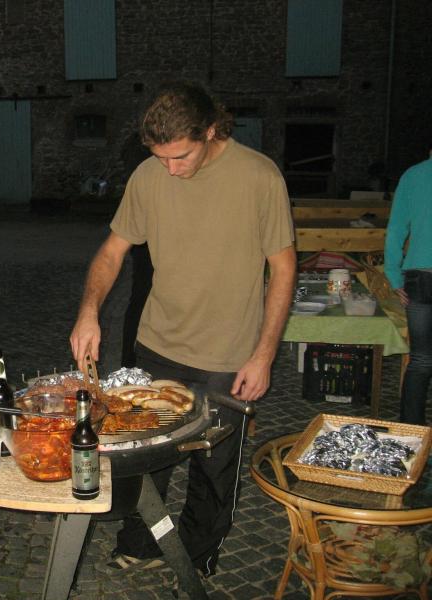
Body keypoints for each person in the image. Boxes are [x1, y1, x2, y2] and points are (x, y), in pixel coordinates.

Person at [69, 82, 296, 576]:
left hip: (228, 355)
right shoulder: (149, 175)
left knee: (213, 468)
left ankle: (196, 557)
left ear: (211, 131)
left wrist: (263, 355)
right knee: (147, 454)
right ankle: (140, 542)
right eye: (161, 157)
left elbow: (283, 269)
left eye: (180, 157)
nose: (170, 169)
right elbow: (112, 251)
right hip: (158, 345)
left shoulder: (259, 177)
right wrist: (88, 311)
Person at [385, 147, 432, 425]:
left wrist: (393, 274)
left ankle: (411, 432)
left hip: (420, 277)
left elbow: (396, 229)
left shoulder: (413, 176)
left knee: (421, 361)